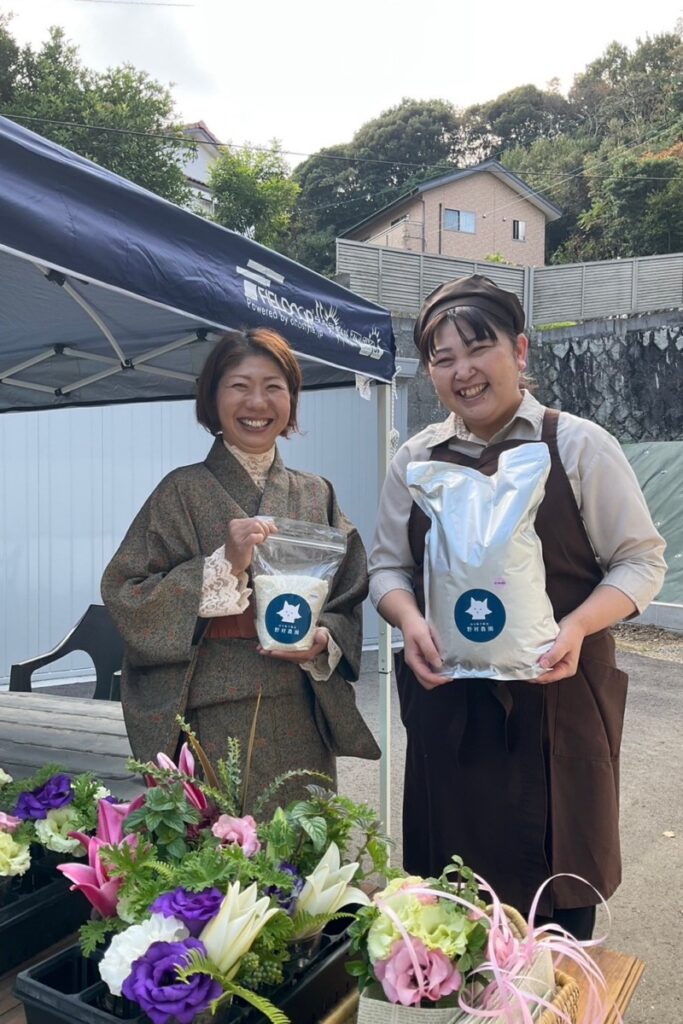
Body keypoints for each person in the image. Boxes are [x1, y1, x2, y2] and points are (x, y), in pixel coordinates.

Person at [369, 274, 666, 939]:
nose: (462, 371)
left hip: (554, 705)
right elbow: (388, 565)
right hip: (450, 707)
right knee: (449, 918)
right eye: (441, 358)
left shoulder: (577, 445)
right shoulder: (414, 459)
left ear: (520, 350)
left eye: (477, 348)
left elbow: (641, 560)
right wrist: (409, 621)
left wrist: (578, 626)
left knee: (557, 919)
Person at [102, 327, 379, 807]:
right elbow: (126, 594)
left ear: (292, 399)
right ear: (212, 399)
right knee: (218, 863)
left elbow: (349, 592)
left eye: (274, 386)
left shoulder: (317, 492)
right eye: (239, 386)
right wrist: (219, 564)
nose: (257, 402)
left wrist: (323, 640)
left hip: (298, 711)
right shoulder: (181, 492)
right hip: (209, 712)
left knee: (301, 855)